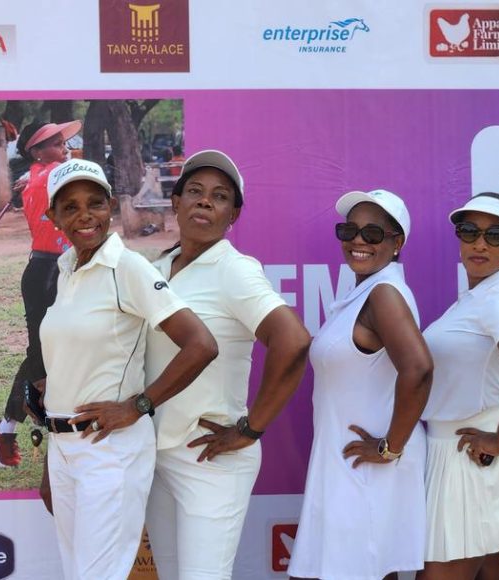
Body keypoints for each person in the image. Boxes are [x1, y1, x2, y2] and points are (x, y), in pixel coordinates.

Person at [36, 159, 218, 580]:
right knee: (78, 572)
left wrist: (139, 405)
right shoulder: (67, 270)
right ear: (53, 217)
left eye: (95, 203)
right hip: (64, 448)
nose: (85, 215)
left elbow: (201, 344)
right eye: (70, 207)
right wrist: (51, 458)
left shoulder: (128, 267)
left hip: (109, 450)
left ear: (112, 206)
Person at [143, 150, 311, 580]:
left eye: (219, 196)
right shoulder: (155, 268)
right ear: (176, 202)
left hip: (209, 458)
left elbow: (293, 341)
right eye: (195, 191)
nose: (205, 201)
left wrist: (252, 428)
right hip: (156, 454)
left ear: (232, 215)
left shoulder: (234, 270)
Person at [289, 189, 433, 580]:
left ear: (396, 242)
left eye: (372, 233)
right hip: (348, 463)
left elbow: (419, 369)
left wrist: (390, 447)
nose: (358, 240)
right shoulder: (365, 292)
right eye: (349, 230)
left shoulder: (384, 294)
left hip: (368, 464)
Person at [418, 193, 499, 580]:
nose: (479, 243)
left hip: (474, 455)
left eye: (494, 235)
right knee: (485, 572)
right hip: (461, 453)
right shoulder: (478, 298)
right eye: (470, 231)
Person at [0, 121, 80, 468]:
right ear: (37, 151)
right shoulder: (46, 176)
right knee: (41, 354)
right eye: (55, 143)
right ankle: (7, 428)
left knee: (56, 350)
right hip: (46, 272)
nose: (64, 146)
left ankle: (11, 428)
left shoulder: (38, 176)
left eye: (62, 141)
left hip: (65, 269)